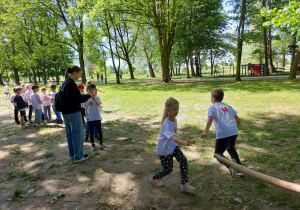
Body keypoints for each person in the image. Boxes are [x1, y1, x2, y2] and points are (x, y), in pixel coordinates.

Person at [150, 98, 196, 193]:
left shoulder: (174, 119)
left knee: (183, 160)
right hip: (164, 150)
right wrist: (184, 143)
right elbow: (174, 138)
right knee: (168, 169)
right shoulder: (166, 124)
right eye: (174, 110)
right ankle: (154, 177)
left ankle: (184, 184)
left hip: (172, 146)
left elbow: (174, 138)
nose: (176, 112)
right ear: (167, 110)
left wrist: (187, 141)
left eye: (177, 109)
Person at [201, 88, 243, 178]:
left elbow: (210, 120)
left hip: (223, 133)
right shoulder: (228, 107)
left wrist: (205, 132)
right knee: (231, 148)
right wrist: (233, 129)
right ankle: (240, 170)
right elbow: (238, 120)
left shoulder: (212, 108)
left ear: (213, 98)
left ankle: (231, 166)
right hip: (234, 131)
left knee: (218, 154)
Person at [61, 66, 91, 163]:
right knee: (77, 134)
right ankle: (78, 156)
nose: (80, 75)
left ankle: (73, 154)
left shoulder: (65, 82)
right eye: (79, 73)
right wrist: (88, 95)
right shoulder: (71, 84)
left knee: (70, 134)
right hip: (73, 112)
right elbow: (78, 99)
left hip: (66, 112)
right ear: (74, 73)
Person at [84, 84, 104, 150]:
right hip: (90, 118)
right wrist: (86, 116)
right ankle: (92, 144)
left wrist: (94, 99)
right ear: (87, 91)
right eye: (90, 89)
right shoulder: (86, 99)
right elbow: (85, 108)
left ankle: (101, 143)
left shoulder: (97, 98)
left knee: (99, 131)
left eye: (92, 89)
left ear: (95, 90)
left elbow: (98, 104)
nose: (91, 91)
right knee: (91, 132)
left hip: (97, 117)